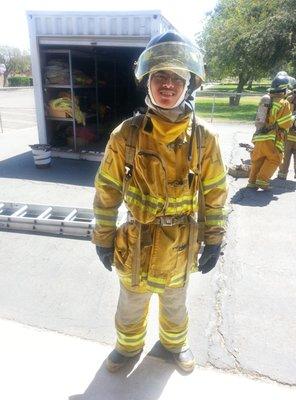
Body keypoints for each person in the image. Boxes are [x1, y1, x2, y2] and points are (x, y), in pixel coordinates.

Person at [92, 31, 227, 374]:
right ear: (147, 82)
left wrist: (214, 239)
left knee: (175, 305)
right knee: (131, 305)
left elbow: (214, 193)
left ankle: (174, 344)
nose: (167, 85)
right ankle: (127, 347)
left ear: (189, 85)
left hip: (180, 247)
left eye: (176, 78)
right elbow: (106, 192)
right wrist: (103, 238)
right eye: (160, 77)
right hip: (136, 243)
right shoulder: (126, 134)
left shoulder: (203, 138)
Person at [247, 75, 293, 190]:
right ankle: (262, 180)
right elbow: (285, 123)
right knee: (275, 159)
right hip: (272, 138)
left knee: (258, 159)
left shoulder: (267, 99)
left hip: (259, 137)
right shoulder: (284, 103)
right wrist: (293, 119)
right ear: (284, 90)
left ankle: (252, 182)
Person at [277, 81, 296, 179]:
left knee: (286, 156)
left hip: (288, 136)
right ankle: (282, 174)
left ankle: (282, 174)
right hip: (290, 135)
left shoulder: (288, 99)